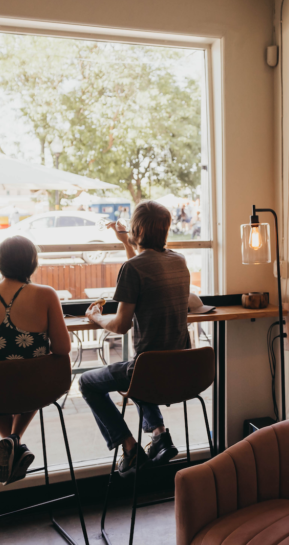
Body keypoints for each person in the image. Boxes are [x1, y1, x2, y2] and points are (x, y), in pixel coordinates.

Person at [79, 200, 190, 475]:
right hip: (183, 369)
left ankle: (130, 448)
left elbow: (120, 325)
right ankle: (159, 435)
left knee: (88, 382)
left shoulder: (133, 269)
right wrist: (125, 243)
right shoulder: (179, 260)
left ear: (136, 229)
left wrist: (95, 316)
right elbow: (145, 270)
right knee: (138, 367)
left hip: (149, 372)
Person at [0, 236, 71, 484]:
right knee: (31, 374)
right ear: (33, 264)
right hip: (35, 390)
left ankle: (11, 443)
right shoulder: (46, 294)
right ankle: (14, 440)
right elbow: (63, 348)